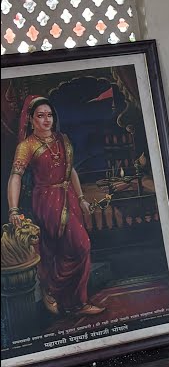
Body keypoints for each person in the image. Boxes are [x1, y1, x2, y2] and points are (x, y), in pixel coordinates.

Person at [6, 96, 104, 316]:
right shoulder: (27, 145)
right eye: (40, 116)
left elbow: (71, 171)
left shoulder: (62, 139)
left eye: (49, 115)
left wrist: (81, 198)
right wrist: (13, 209)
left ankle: (75, 301)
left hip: (68, 196)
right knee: (69, 246)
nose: (46, 120)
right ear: (31, 120)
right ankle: (54, 290)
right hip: (46, 201)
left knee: (70, 249)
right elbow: (15, 176)